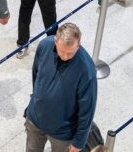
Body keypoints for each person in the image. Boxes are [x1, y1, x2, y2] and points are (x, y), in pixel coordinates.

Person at [24, 23, 97, 152]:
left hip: (62, 133)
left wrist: (79, 142)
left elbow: (87, 110)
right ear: (55, 41)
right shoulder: (44, 46)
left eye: (70, 53)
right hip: (35, 121)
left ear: (78, 44)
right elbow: (36, 76)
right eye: (62, 51)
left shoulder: (86, 69)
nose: (65, 56)